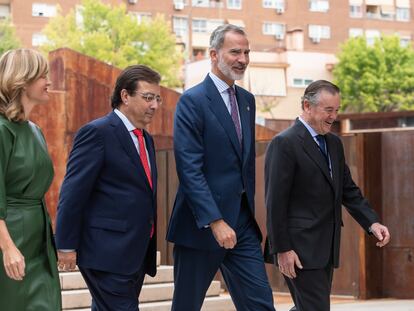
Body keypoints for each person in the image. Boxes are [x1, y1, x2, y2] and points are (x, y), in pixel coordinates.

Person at [167, 24, 275, 311]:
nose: (243, 59)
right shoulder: (192, 101)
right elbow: (189, 168)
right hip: (201, 226)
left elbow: (244, 165)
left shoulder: (247, 101)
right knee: (186, 306)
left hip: (242, 225)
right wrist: (214, 220)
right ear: (214, 55)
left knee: (261, 305)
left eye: (247, 52)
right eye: (235, 52)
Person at [264, 80, 391, 311]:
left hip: (326, 246)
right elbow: (275, 203)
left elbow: (348, 190)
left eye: (337, 110)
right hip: (298, 249)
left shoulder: (334, 143)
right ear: (307, 106)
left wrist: (372, 222)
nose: (334, 116)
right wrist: (282, 249)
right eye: (328, 110)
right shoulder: (284, 143)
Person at [55, 65, 161, 311]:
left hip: (136, 252)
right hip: (106, 254)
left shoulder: (146, 139)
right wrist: (66, 245)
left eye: (157, 98)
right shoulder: (97, 133)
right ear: (125, 96)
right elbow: (72, 193)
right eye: (147, 98)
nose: (155, 105)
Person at [0, 48, 61, 310]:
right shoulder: (2, 129)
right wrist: (8, 248)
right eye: (42, 76)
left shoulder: (35, 130)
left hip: (39, 238)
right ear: (22, 81)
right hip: (10, 238)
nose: (49, 82)